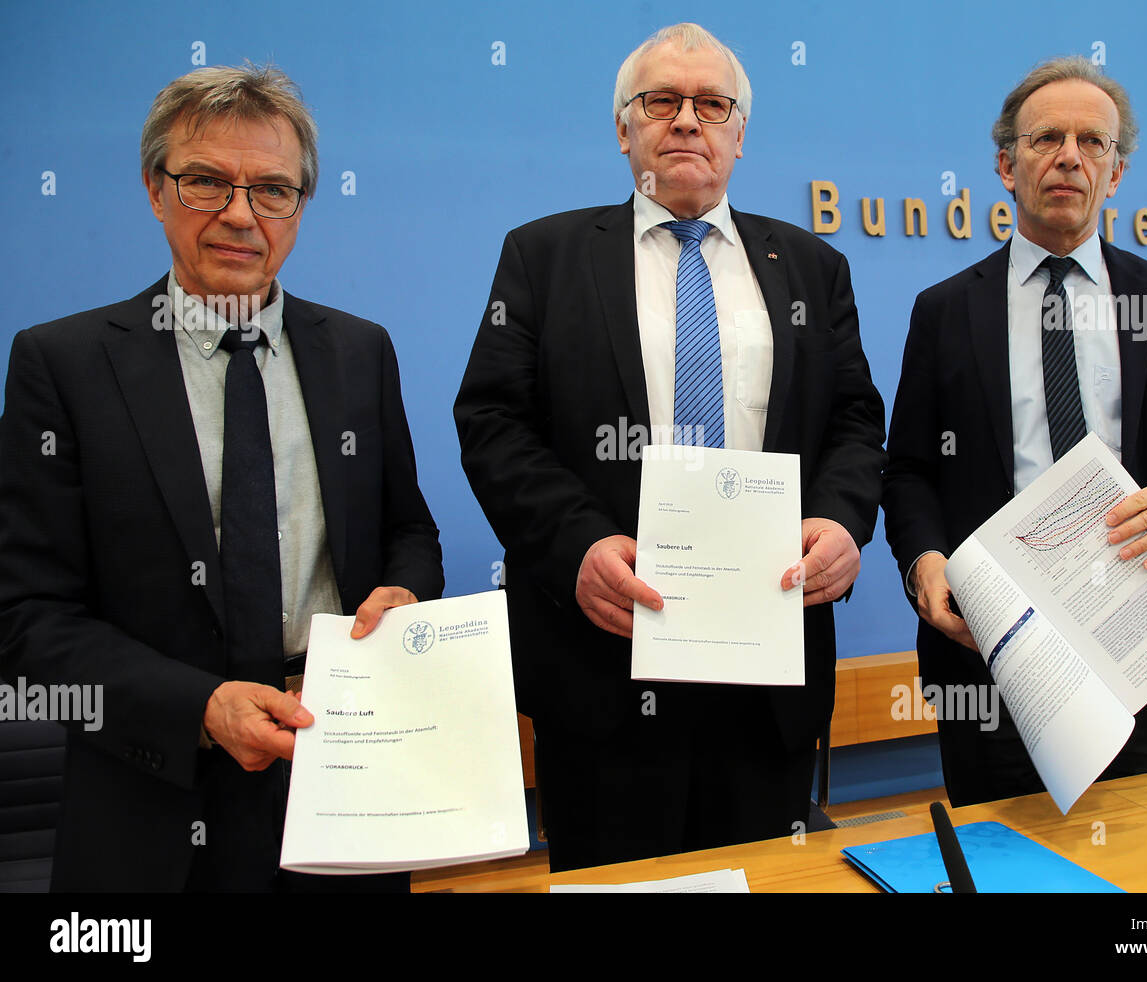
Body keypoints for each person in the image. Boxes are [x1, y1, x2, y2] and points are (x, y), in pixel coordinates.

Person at [454, 23, 886, 871]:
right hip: (602, 671)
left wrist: (842, 523)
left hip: (770, 673)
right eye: (662, 101)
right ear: (625, 129)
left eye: (712, 104)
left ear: (738, 133)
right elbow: (493, 423)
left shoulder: (811, 267)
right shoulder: (542, 257)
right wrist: (575, 546)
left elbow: (854, 423)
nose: (687, 120)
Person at [0, 64, 443, 890]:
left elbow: (407, 532)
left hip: (343, 781)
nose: (241, 215)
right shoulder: (61, 365)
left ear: (301, 207)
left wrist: (407, 595)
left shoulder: (358, 352)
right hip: (152, 801)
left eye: (273, 190)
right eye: (206, 182)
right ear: (155, 190)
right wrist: (200, 709)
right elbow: (26, 616)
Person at [882, 56, 1147, 807]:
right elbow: (908, 469)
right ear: (1006, 165)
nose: (1070, 156)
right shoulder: (944, 312)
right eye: (1046, 139)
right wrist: (923, 563)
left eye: (1093, 142)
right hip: (995, 660)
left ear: (1117, 172)